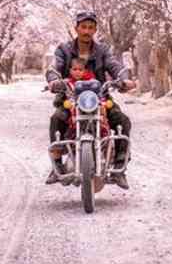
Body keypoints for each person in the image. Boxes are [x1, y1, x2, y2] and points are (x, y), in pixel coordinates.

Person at [45, 10, 136, 189]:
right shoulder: (64, 49)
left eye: (91, 27)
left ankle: (119, 167)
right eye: (83, 27)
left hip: (100, 97)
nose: (87, 31)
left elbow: (114, 65)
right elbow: (54, 66)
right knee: (57, 119)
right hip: (71, 97)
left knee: (122, 120)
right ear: (76, 28)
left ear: (95, 30)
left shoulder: (103, 50)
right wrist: (54, 80)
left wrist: (124, 79)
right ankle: (57, 164)